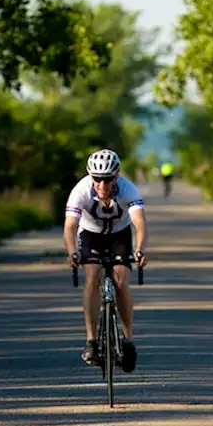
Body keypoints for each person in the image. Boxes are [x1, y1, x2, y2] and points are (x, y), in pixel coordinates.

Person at [64, 148, 148, 370]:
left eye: (107, 179)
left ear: (117, 176)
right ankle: (91, 341)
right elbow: (70, 226)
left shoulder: (128, 189)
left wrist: (140, 249)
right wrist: (72, 251)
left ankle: (128, 340)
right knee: (92, 277)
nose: (102, 185)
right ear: (91, 177)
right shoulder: (80, 190)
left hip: (119, 234)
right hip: (90, 235)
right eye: (97, 179)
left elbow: (139, 222)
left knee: (121, 281)